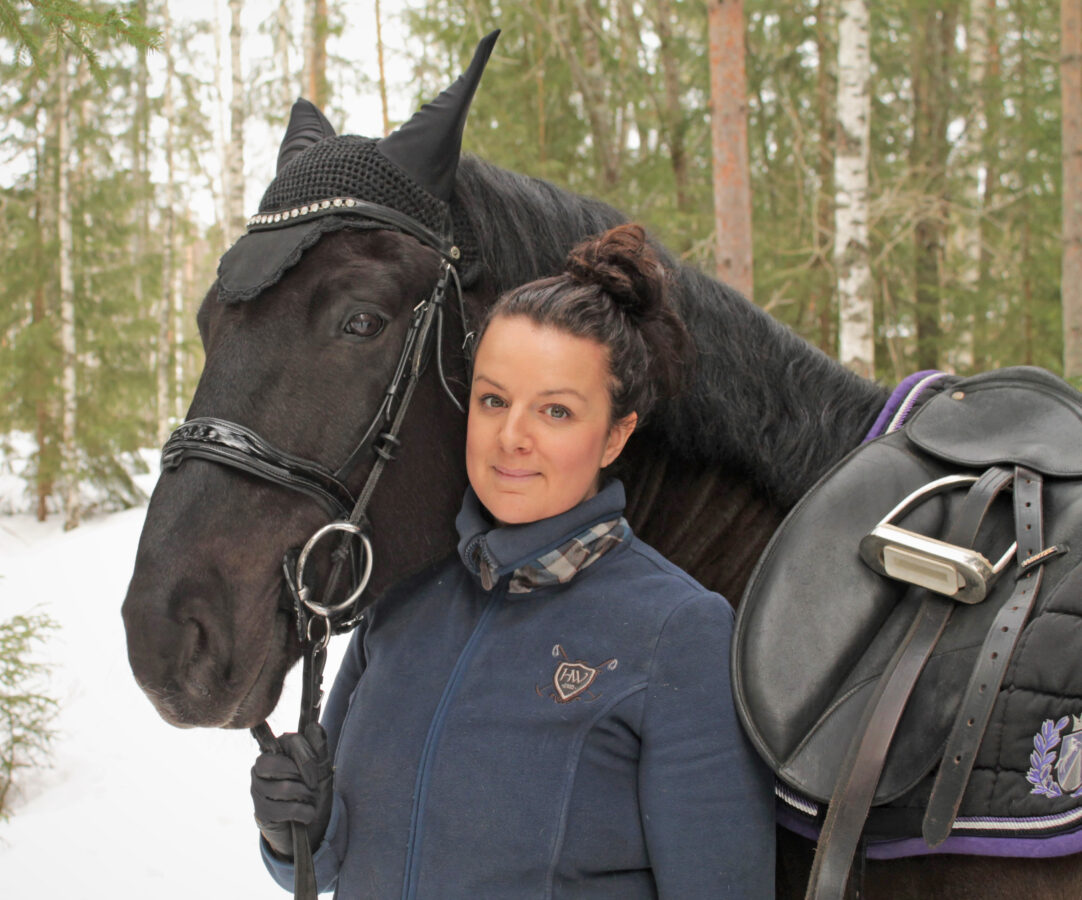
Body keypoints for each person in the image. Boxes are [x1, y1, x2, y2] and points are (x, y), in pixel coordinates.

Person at [250, 223, 776, 898]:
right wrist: (294, 828)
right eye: (493, 400)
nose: (512, 438)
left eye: (556, 411)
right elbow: (325, 866)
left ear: (616, 436)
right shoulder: (401, 600)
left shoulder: (678, 632)